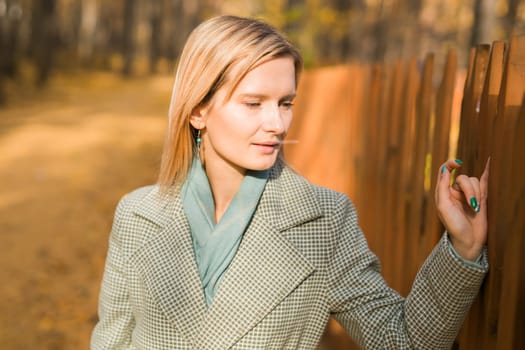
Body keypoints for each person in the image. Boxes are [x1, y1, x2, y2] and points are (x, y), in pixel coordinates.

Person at [91, 15, 489, 350]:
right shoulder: (138, 215)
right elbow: (111, 342)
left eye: (285, 103)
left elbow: (402, 340)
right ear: (198, 110)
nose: (277, 124)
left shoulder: (323, 220)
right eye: (253, 103)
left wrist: (463, 249)